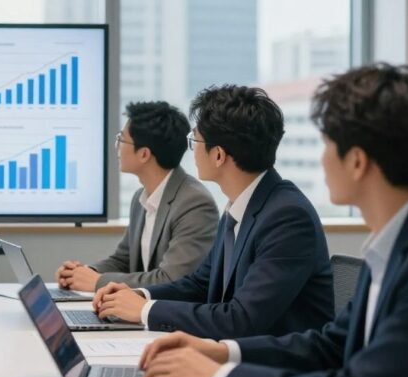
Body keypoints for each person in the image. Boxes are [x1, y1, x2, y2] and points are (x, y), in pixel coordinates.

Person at [138, 64, 408, 377]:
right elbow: (332, 345)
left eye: (328, 144)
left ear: (358, 161)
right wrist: (220, 352)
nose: (322, 159)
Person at [93, 85, 334, 339]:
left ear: (218, 155)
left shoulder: (287, 217)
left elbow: (240, 319)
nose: (192, 150)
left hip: (278, 368)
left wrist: (145, 311)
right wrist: (140, 295)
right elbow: (199, 284)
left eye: (194, 141)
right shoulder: (241, 206)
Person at [56, 101, 218, 292]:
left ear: (144, 154)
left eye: (121, 139)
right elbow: (122, 260)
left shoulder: (195, 203)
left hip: (166, 316)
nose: (117, 147)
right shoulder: (141, 198)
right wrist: (83, 273)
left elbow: (172, 279)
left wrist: (98, 281)